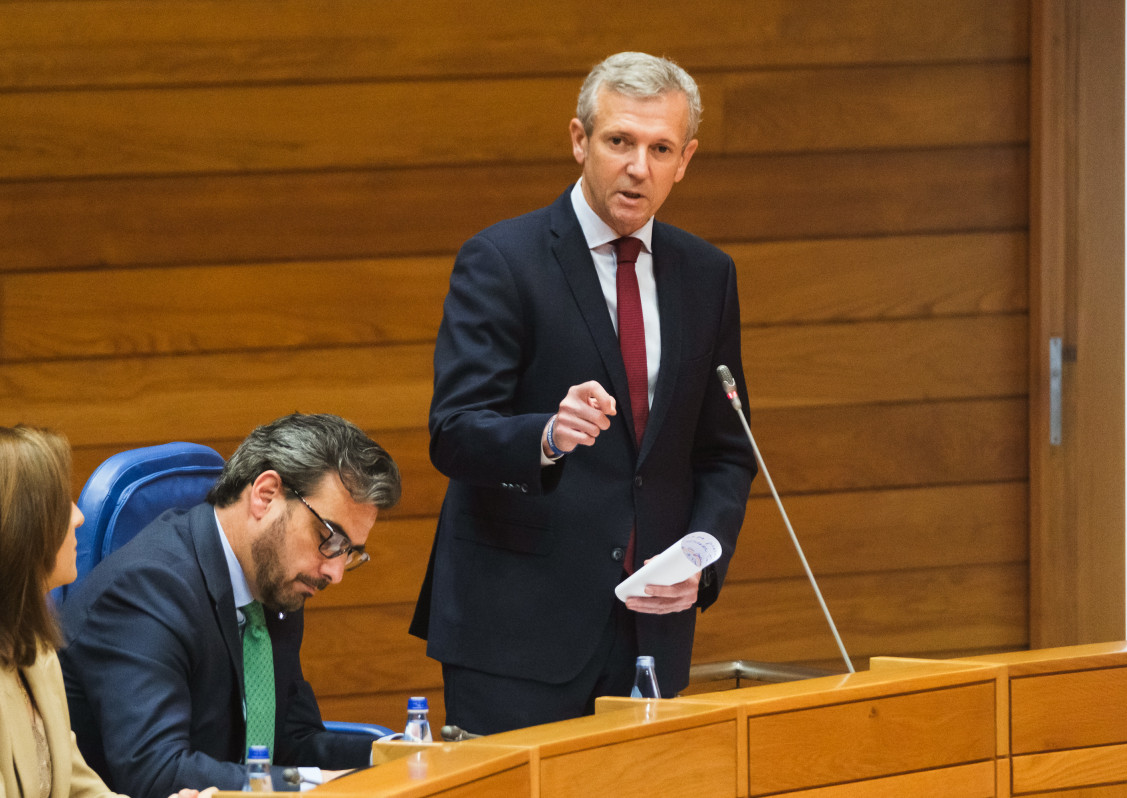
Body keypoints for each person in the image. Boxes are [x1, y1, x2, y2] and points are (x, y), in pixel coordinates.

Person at [410, 51, 757, 734]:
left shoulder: (707, 275)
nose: (639, 167)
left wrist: (702, 563)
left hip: (648, 636)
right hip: (515, 633)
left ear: (684, 159)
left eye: (660, 149)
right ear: (579, 140)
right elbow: (455, 431)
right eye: (619, 141)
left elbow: (725, 452)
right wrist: (545, 435)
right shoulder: (502, 260)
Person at [58, 414, 400, 798]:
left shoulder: (275, 582)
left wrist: (397, 757)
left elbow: (291, 743)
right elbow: (157, 774)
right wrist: (316, 784)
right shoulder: (145, 590)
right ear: (266, 495)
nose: (334, 571)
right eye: (329, 538)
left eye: (349, 552)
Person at [0, 425, 215, 798]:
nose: (78, 517)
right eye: (59, 504)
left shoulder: (37, 647)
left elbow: (79, 789)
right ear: (22, 525)